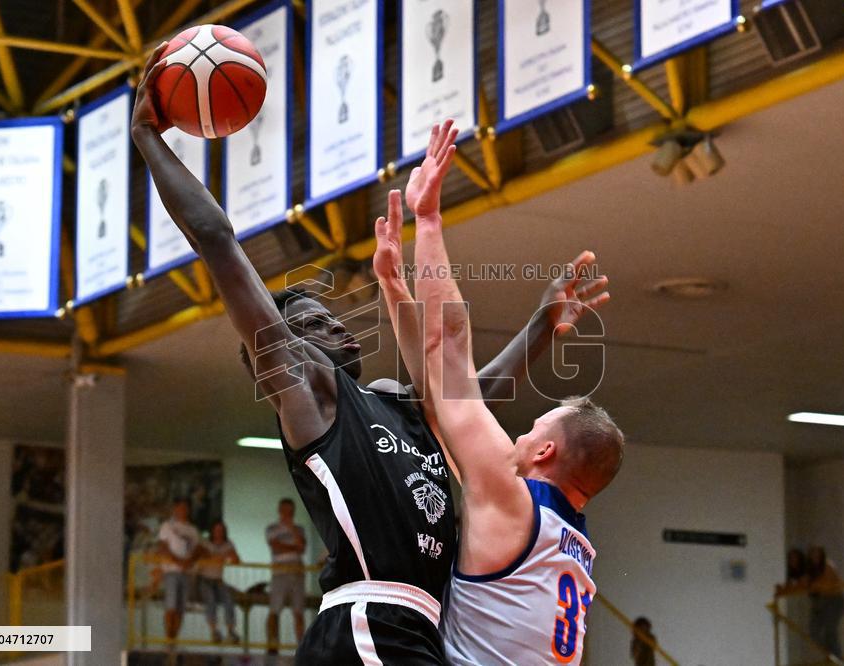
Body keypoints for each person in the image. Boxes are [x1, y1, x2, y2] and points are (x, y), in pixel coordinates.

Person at [132, 49, 590, 664]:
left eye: (333, 316)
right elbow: (216, 239)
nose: (337, 325)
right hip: (368, 621)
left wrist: (542, 324)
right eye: (313, 325)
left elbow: (471, 398)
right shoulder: (313, 396)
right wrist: (149, 139)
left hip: (416, 630)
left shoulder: (395, 403)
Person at [373, 120, 622, 665]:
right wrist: (393, 287)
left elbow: (447, 349)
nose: (518, 433)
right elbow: (441, 406)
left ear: (545, 451)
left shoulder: (511, 502)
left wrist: (429, 219)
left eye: (532, 428)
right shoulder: (572, 546)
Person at [157, 498, 202, 642]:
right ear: (175, 509)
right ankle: (168, 635)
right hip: (171, 570)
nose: (183, 510)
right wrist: (177, 561)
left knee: (181, 608)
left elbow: (197, 549)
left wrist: (189, 561)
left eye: (186, 508)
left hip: (186, 572)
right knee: (171, 605)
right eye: (181, 507)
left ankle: (174, 637)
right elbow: (163, 546)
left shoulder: (192, 529)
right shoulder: (167, 526)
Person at [266, 498, 307, 651]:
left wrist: (292, 530)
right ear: (279, 511)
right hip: (280, 572)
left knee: (298, 612)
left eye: (290, 511)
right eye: (285, 510)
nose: (287, 514)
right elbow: (275, 547)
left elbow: (302, 547)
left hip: (297, 572)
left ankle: (301, 648)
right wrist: (293, 547)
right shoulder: (272, 528)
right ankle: (272, 646)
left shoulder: (299, 529)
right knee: (274, 610)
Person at [198, 521, 241, 644]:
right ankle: (214, 631)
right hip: (205, 578)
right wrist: (221, 556)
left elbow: (236, 560)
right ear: (212, 531)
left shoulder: (228, 543)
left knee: (229, 600)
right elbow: (204, 557)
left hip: (218, 579)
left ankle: (231, 630)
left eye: (221, 530)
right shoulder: (205, 543)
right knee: (210, 600)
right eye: (216, 530)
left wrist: (226, 556)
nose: (219, 533)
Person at [806, 546, 844, 657]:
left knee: (830, 631)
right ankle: (830, 655)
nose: (815, 558)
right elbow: (806, 584)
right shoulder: (810, 570)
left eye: (817, 555)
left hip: (833, 600)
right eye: (812, 555)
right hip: (818, 602)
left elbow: (825, 585)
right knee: (813, 632)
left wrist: (814, 586)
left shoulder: (828, 566)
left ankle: (837, 658)